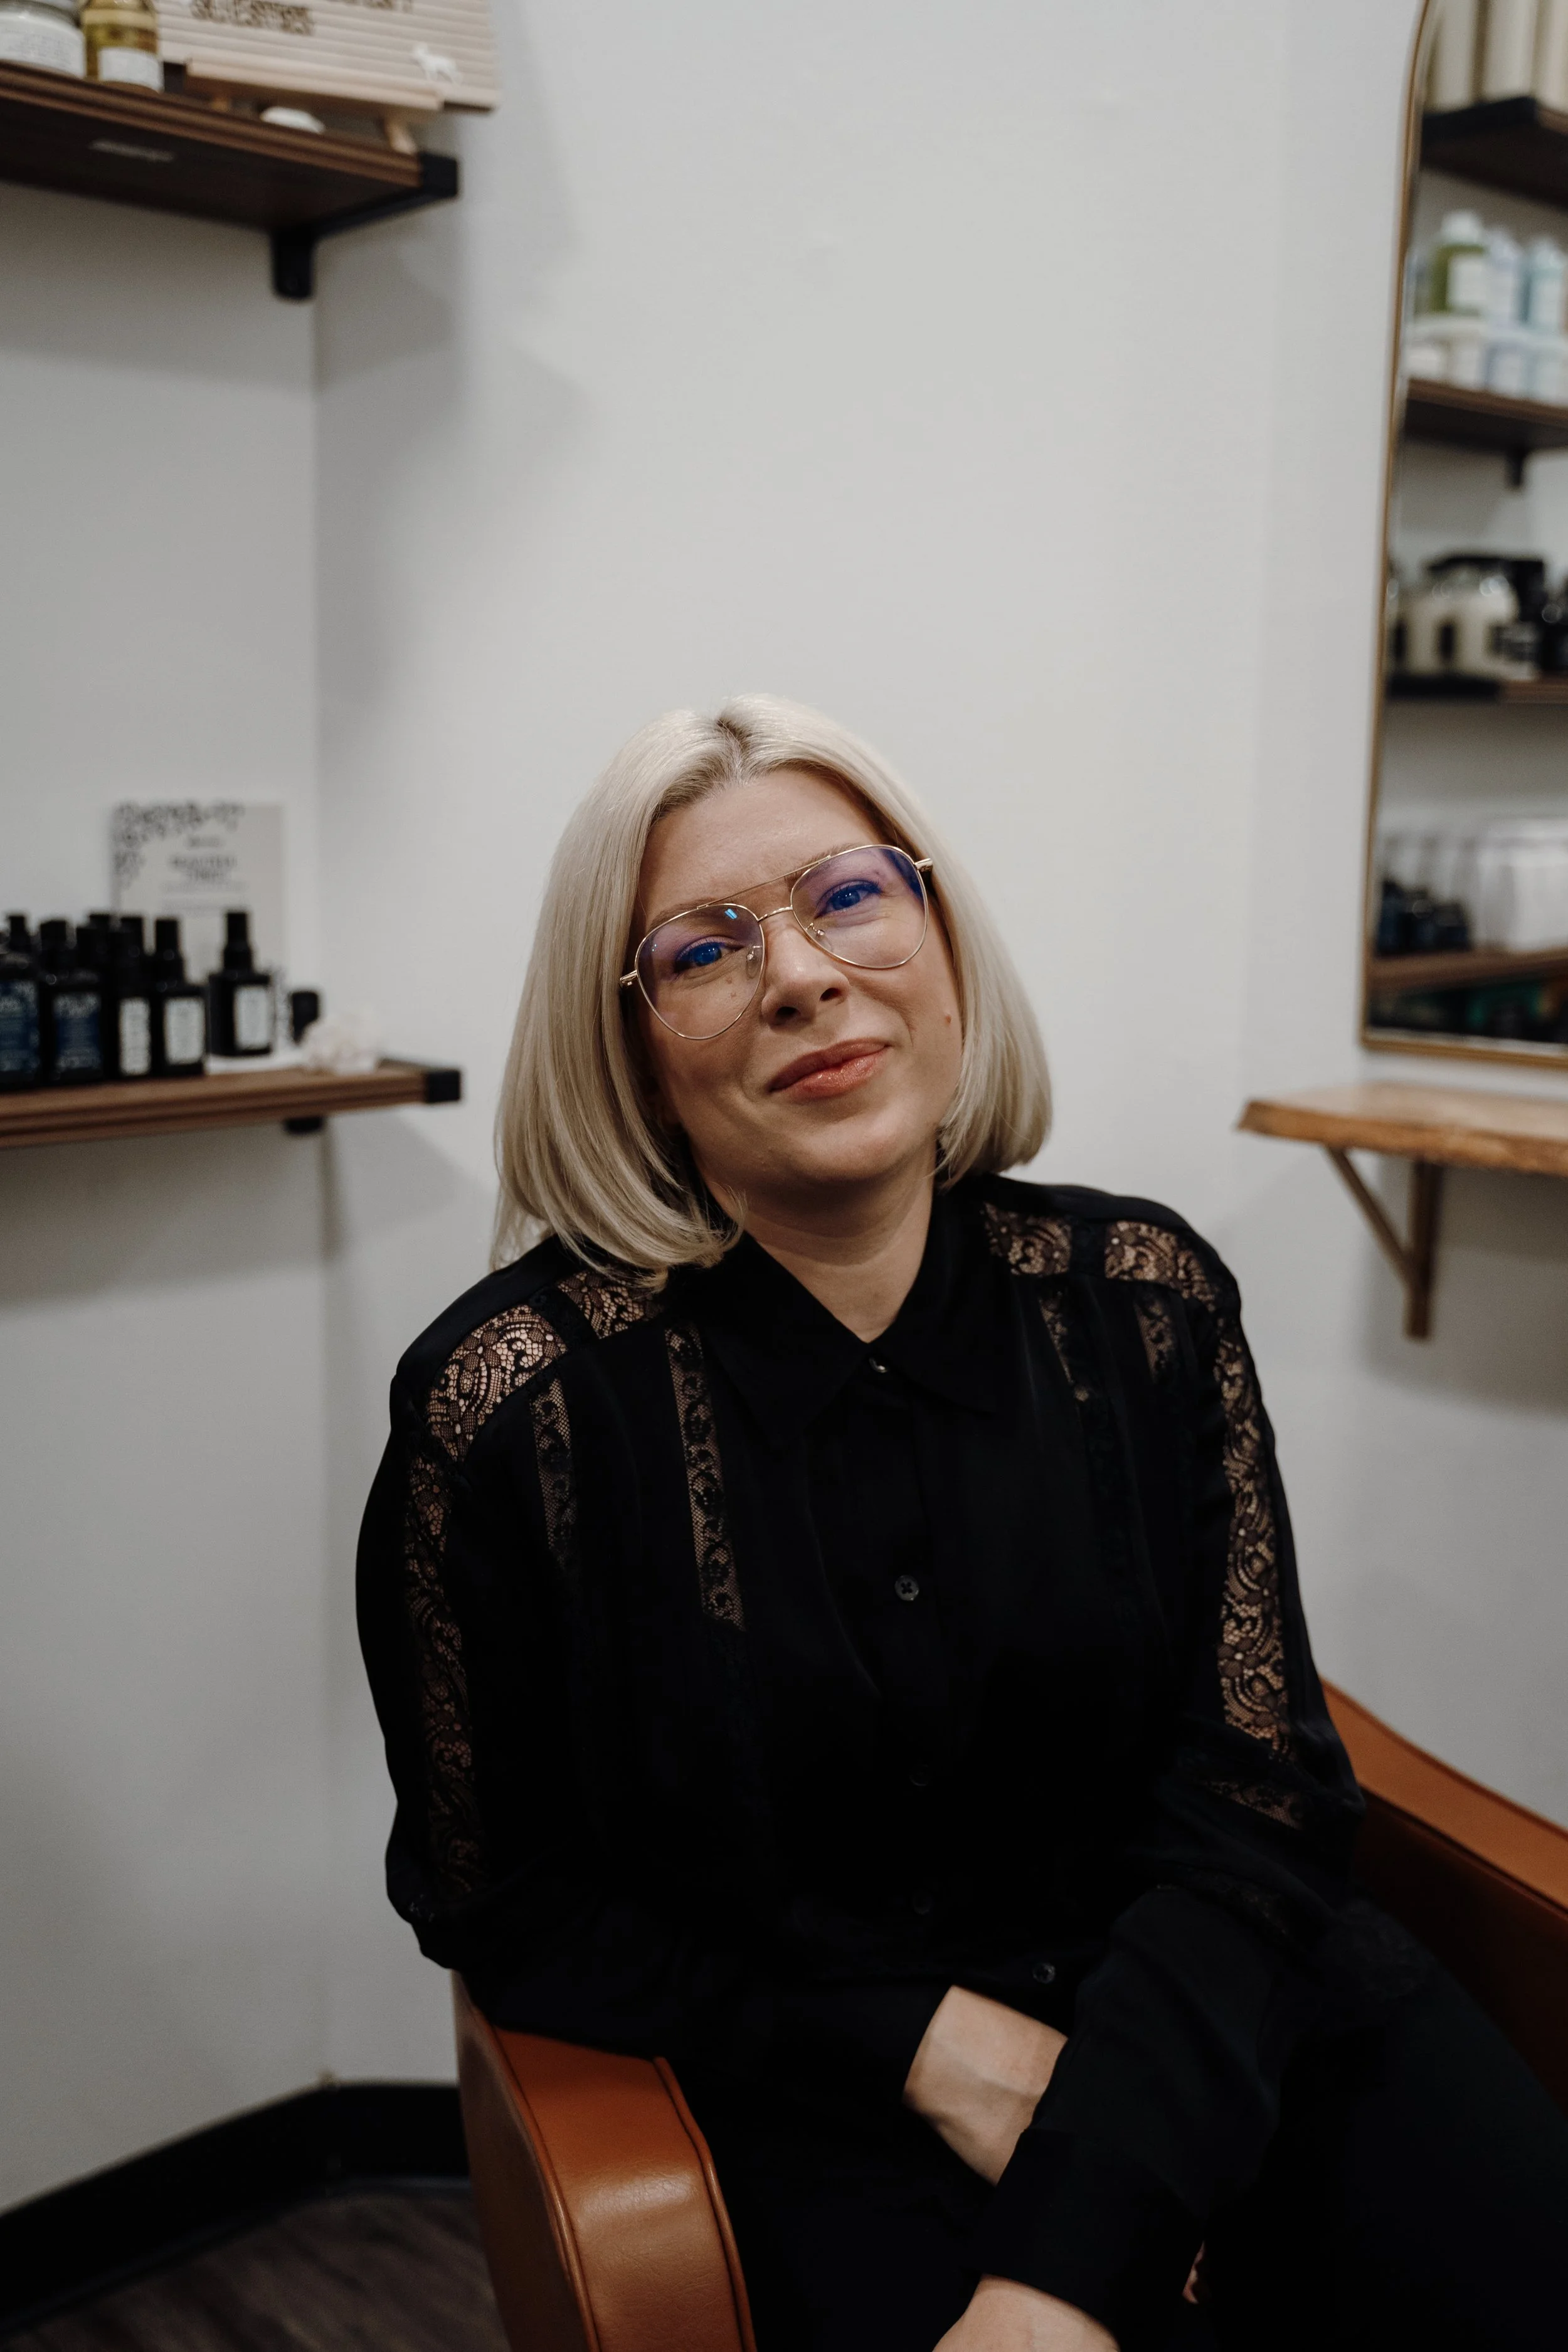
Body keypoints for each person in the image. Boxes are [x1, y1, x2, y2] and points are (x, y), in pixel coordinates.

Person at [358, 697, 1568, 2352]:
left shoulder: (1146, 1300)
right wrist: (915, 2039)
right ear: (625, 1037)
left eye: (848, 893)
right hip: (825, 2102)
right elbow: (504, 1896)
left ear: (940, 935)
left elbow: (1259, 1791)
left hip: (1232, 2012)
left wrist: (1071, 2244)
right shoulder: (511, 1410)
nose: (797, 972)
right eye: (703, 948)